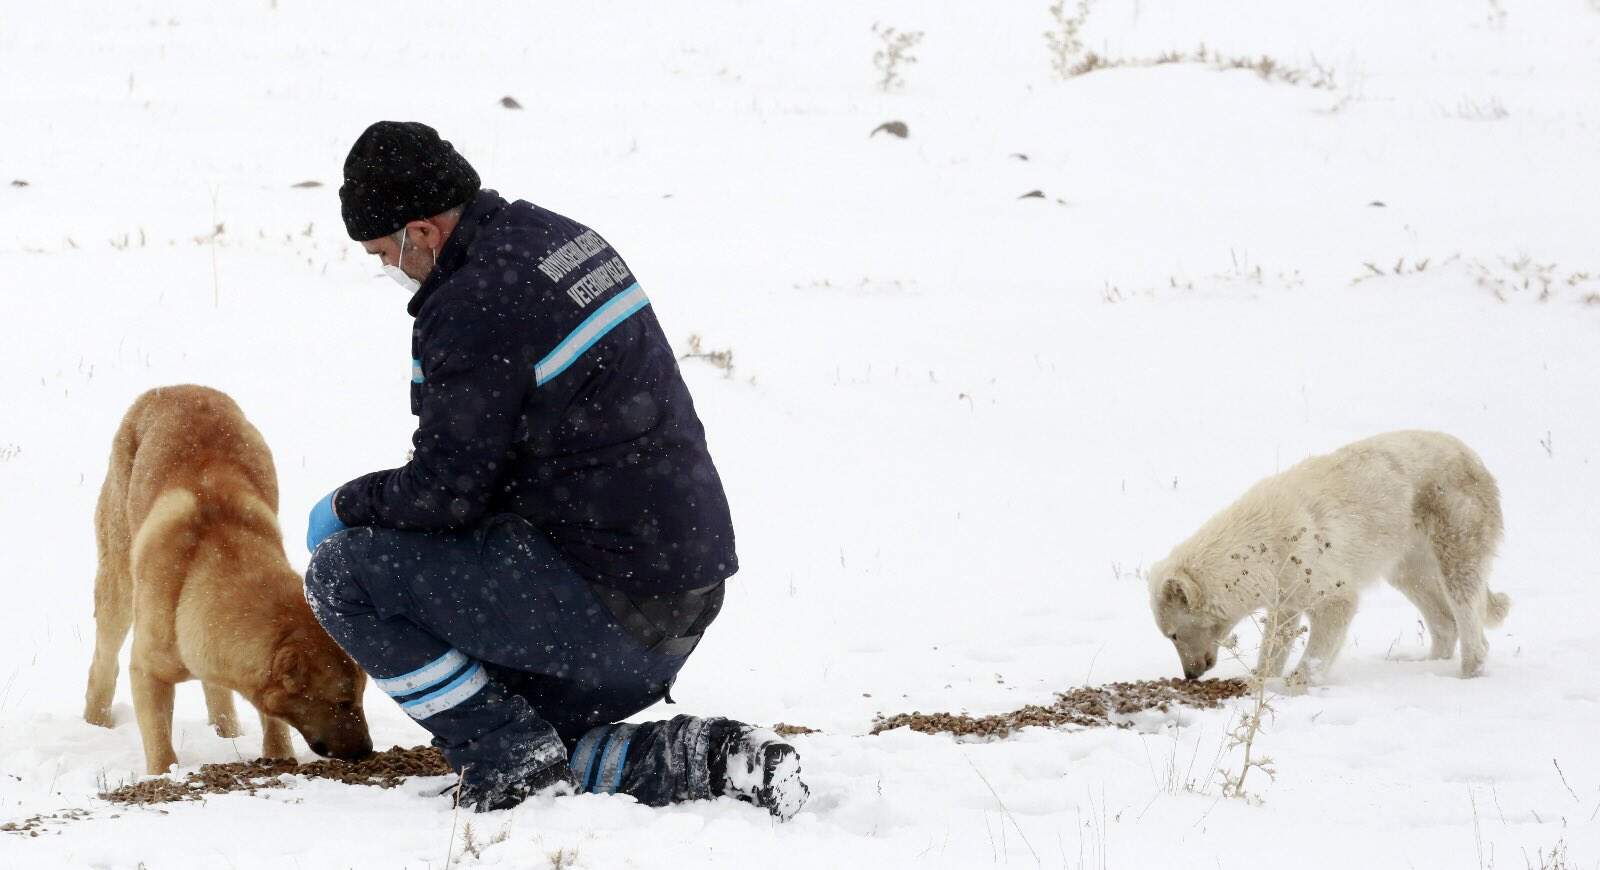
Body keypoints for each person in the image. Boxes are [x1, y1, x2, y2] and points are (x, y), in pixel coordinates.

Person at [302, 121, 807, 819]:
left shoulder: (474, 303)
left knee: (343, 575)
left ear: (423, 232)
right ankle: (703, 755)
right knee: (502, 692)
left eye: (384, 251)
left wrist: (348, 503)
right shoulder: (557, 238)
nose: (389, 268)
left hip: (613, 615)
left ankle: (507, 756)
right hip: (678, 591)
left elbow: (448, 493)